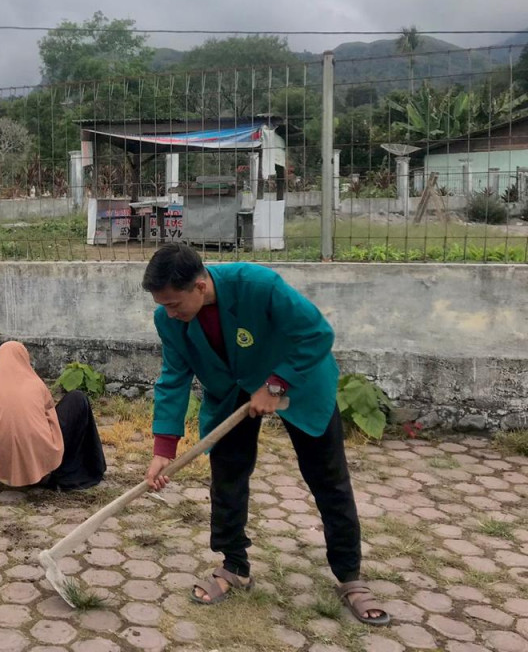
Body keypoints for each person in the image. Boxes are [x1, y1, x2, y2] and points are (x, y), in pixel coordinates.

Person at [142, 243, 389, 626]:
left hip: (299, 383)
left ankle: (350, 577)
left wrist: (275, 386)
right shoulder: (169, 319)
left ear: (201, 285)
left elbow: (317, 334)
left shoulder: (257, 284)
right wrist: (164, 447)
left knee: (327, 478)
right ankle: (234, 566)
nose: (169, 313)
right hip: (232, 392)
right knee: (227, 476)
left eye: (174, 303)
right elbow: (173, 377)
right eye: (163, 306)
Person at [0, 341, 106, 491]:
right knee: (77, 399)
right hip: (40, 469)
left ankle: (13, 469)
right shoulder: (35, 385)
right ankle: (89, 464)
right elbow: (48, 414)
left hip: (0, 472)